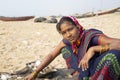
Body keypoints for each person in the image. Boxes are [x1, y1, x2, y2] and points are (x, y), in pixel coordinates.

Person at [25, 16, 120, 80]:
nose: (68, 35)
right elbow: (51, 55)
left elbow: (118, 44)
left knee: (113, 55)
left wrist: (93, 49)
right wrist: (35, 72)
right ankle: (76, 73)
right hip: (82, 67)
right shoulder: (68, 41)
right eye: (64, 33)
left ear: (77, 26)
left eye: (70, 29)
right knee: (65, 49)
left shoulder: (91, 36)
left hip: (96, 66)